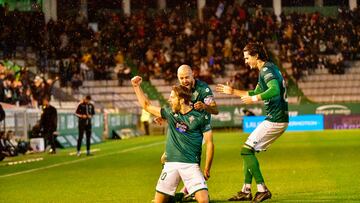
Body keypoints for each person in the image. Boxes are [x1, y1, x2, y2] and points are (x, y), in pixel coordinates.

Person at [216, 42, 289, 202]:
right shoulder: (269, 68)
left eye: (247, 57)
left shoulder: (266, 70)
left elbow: (274, 90)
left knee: (245, 150)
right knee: (248, 151)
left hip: (275, 119)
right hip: (276, 118)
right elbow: (256, 92)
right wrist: (233, 92)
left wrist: (254, 98)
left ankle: (262, 189)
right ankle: (246, 190)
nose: (245, 61)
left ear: (256, 56)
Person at [131, 76, 214, 203]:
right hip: (171, 165)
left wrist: (207, 167)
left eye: (172, 97)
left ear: (181, 100)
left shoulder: (200, 117)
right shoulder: (170, 114)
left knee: (203, 201)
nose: (169, 100)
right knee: (158, 202)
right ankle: (177, 197)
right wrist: (136, 86)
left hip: (191, 165)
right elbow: (147, 106)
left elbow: (209, 143)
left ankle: (181, 195)